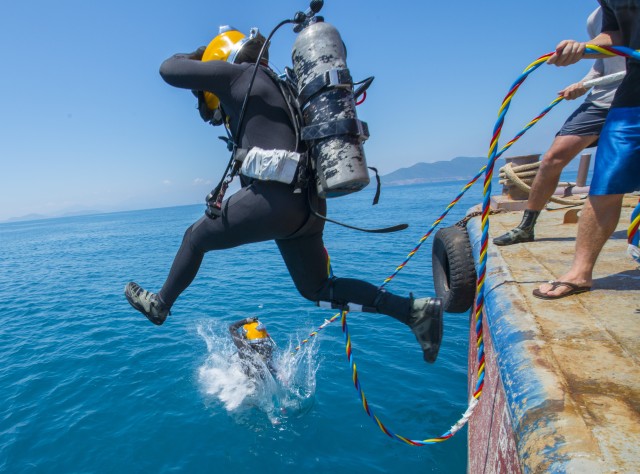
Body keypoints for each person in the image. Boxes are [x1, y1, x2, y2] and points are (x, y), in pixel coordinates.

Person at [124, 26, 444, 363]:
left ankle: (160, 305)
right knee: (317, 289)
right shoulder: (279, 86)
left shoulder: (235, 76)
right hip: (307, 207)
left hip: (275, 201)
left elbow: (167, 70)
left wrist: (194, 58)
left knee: (194, 238)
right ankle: (413, 312)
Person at [533, 0, 640, 299]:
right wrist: (582, 48)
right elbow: (616, 36)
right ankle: (580, 272)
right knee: (606, 182)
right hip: (634, 93)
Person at [494, 6, 626, 246]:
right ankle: (527, 226)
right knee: (553, 157)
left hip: (632, 96)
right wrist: (583, 83)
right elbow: (602, 63)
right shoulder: (597, 17)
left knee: (616, 173)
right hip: (602, 98)